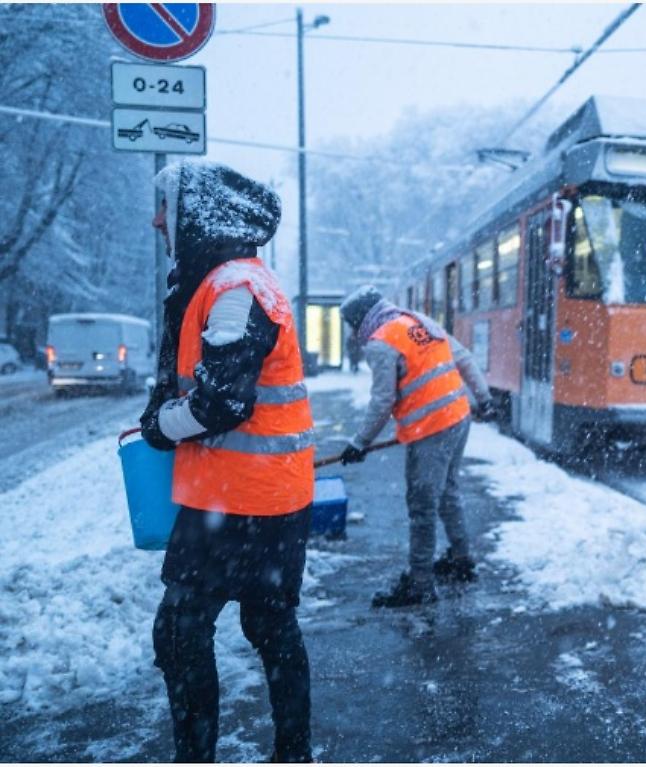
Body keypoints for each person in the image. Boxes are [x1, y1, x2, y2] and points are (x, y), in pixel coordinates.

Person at [139, 161, 315, 763]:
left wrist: (160, 428)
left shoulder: (237, 287)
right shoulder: (224, 280)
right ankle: (294, 754)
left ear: (196, 211)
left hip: (242, 503)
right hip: (254, 498)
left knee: (182, 632)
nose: (157, 219)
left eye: (166, 205)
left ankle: (204, 758)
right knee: (269, 628)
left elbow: (223, 401)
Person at [337, 286, 495, 608]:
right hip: (458, 416)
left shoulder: (380, 342)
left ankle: (421, 584)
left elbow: (383, 401)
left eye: (352, 325)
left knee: (422, 504)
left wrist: (359, 443)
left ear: (361, 320)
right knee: (447, 491)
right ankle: (462, 559)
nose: (353, 333)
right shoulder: (417, 321)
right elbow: (462, 356)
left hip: (431, 429)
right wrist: (484, 398)